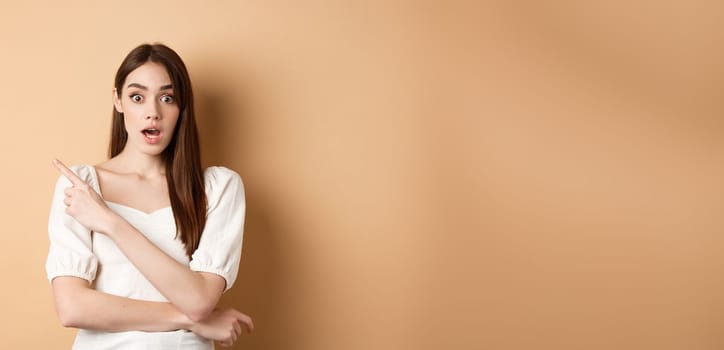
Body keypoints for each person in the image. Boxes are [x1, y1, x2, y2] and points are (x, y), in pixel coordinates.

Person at [45, 43, 253, 349]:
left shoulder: (218, 188)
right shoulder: (81, 186)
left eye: (167, 98)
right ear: (118, 101)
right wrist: (190, 319)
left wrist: (109, 221)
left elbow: (198, 300)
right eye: (137, 97)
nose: (152, 113)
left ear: (182, 108)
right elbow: (72, 307)